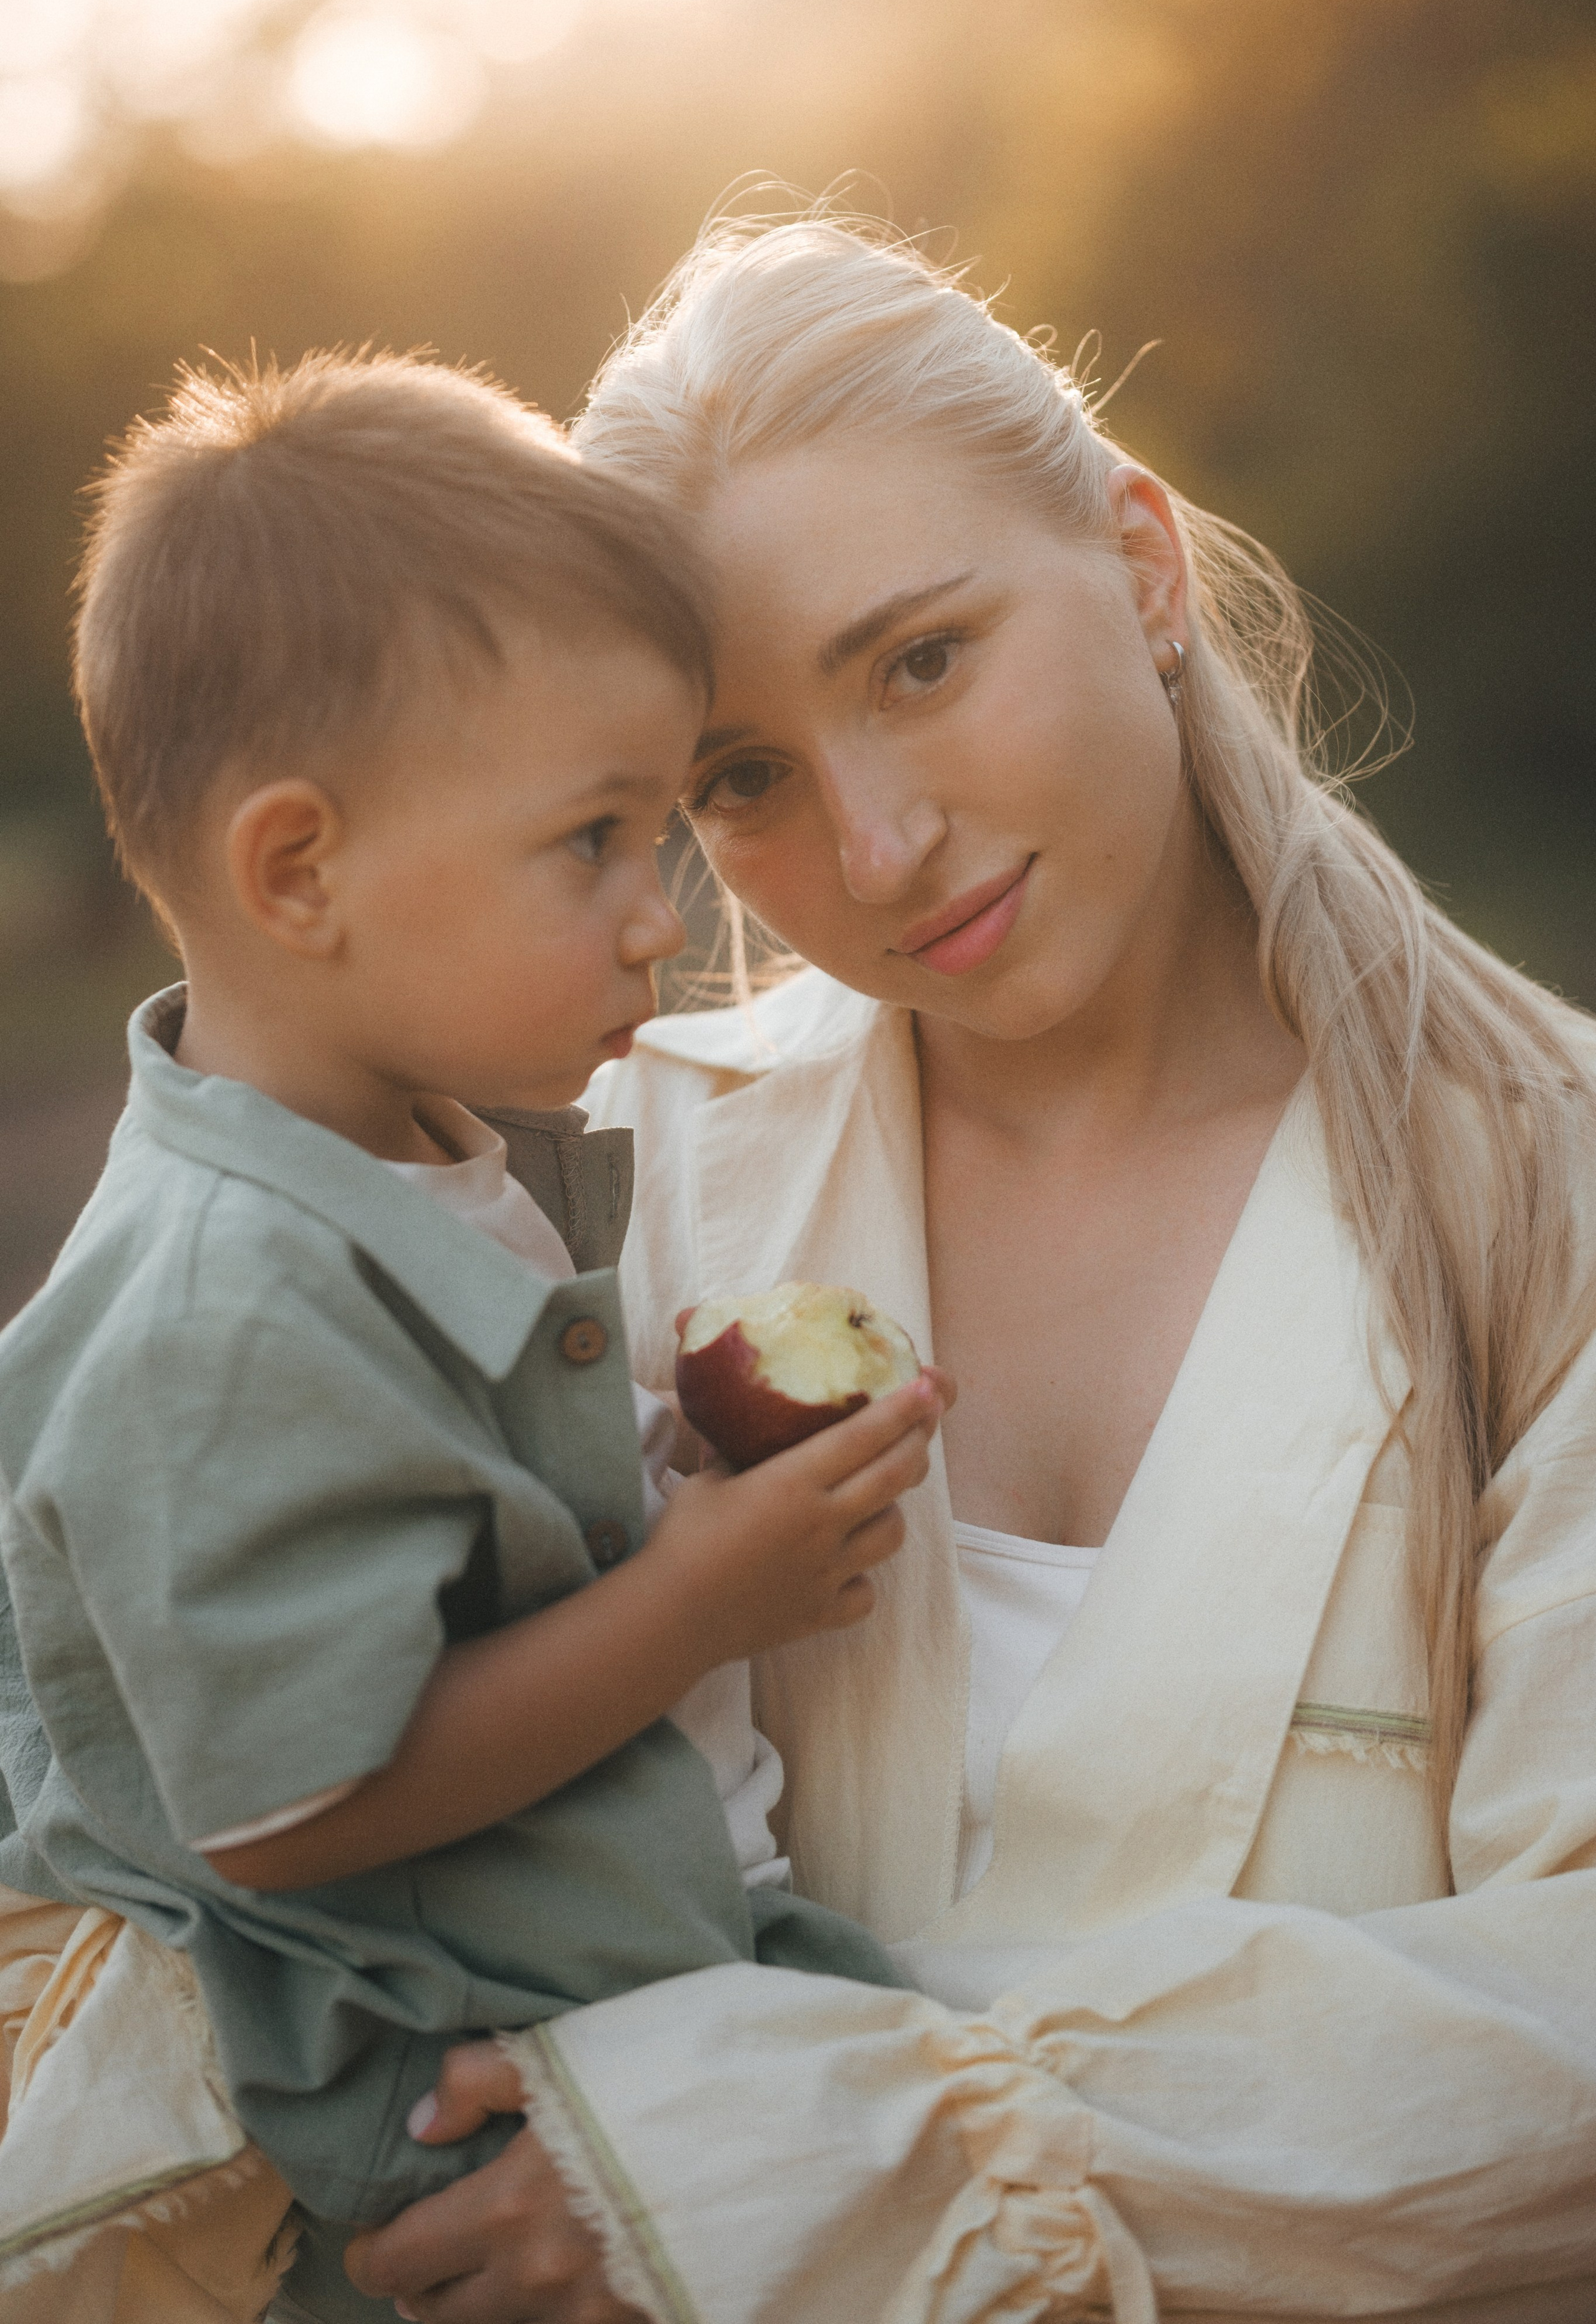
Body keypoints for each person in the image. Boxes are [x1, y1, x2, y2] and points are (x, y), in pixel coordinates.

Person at [340, 216, 1596, 2323]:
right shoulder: (607, 1189)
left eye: (921, 661)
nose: (881, 849)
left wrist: (793, 2155)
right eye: (746, 779)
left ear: (1143, 564)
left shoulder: (1553, 1194)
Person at [0, 349, 941, 2323]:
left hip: (617, 1982)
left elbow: (446, 1555)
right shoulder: (223, 1307)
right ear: (299, 872)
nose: (658, 917)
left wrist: (663, 1470)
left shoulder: (417, 1145)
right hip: (449, 2126)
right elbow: (297, 1805)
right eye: (592, 839)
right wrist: (696, 1600)